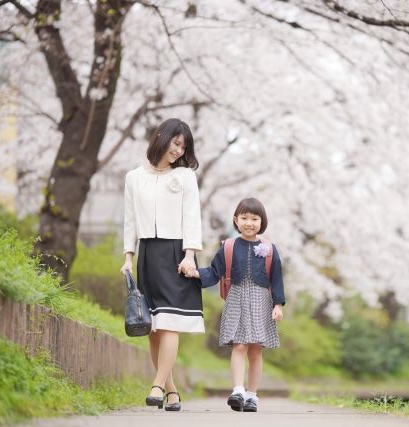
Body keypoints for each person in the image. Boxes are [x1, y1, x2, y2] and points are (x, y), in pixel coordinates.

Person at [120, 118, 203, 412]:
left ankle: (156, 385)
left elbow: (192, 216)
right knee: (153, 326)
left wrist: (190, 254)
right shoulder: (134, 177)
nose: (179, 151)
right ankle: (171, 390)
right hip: (147, 254)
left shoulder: (185, 177)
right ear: (161, 137)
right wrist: (128, 257)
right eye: (176, 143)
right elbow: (130, 219)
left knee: (170, 322)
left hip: (177, 252)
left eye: (183, 147)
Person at [192, 197, 285, 413]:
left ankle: (252, 395)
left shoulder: (270, 248)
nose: (249, 222)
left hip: (262, 301)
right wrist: (196, 273)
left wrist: (278, 305)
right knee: (239, 345)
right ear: (236, 220)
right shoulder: (229, 246)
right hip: (236, 299)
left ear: (262, 222)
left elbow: (277, 278)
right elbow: (215, 271)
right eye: (244, 218)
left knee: (255, 350)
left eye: (254, 218)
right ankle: (237, 390)